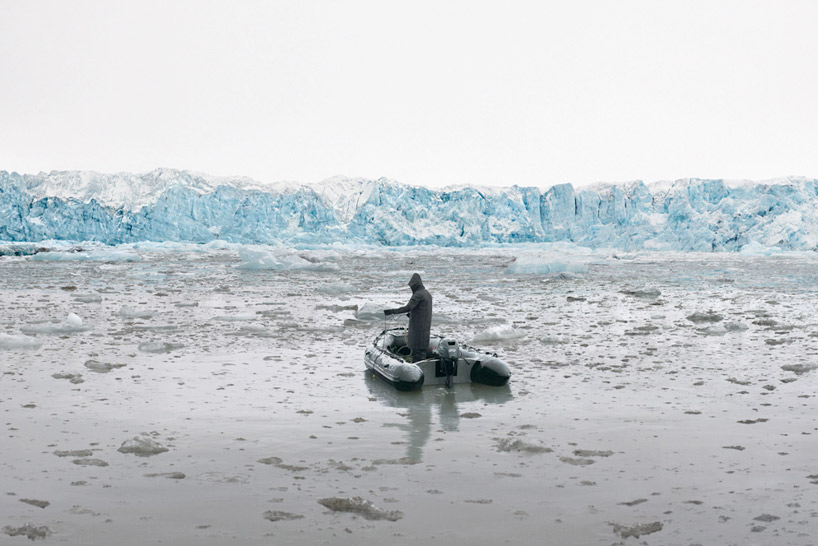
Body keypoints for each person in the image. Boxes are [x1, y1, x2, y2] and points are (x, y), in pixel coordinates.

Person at [384, 273, 433, 362]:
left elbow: (408, 307)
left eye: (412, 286)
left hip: (417, 330)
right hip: (425, 329)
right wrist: (412, 314)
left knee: (417, 354)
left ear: (415, 285)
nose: (411, 288)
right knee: (422, 352)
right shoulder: (427, 294)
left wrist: (392, 311)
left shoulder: (418, 294)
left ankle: (418, 372)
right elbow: (423, 310)